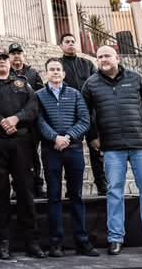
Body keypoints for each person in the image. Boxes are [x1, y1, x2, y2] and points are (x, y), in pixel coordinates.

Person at [82, 45, 142, 255]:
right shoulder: (91, 84)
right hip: (112, 148)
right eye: (100, 56)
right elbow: (84, 113)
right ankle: (115, 238)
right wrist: (92, 136)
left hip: (141, 145)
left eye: (107, 56)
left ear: (117, 58)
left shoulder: (135, 77)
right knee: (115, 192)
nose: (103, 59)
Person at [0, 48, 44, 259]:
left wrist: (15, 119)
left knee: (25, 192)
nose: (3, 62)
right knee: (1, 193)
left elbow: (33, 107)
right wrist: (2, 121)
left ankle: (31, 240)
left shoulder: (22, 83)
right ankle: (3, 241)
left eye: (5, 59)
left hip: (21, 143)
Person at [37, 59, 98, 257]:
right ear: (46, 73)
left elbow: (84, 120)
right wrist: (55, 137)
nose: (55, 72)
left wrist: (68, 137)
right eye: (51, 70)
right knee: (54, 197)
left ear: (63, 74)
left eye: (58, 69)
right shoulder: (38, 96)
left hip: (73, 150)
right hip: (51, 151)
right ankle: (56, 242)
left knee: (76, 196)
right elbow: (38, 121)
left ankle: (82, 241)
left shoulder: (75, 94)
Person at [59, 34, 108, 195]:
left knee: (97, 149)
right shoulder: (58, 65)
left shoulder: (87, 64)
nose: (71, 44)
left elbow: (98, 83)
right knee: (71, 151)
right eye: (67, 42)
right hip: (70, 115)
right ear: (61, 46)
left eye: (73, 42)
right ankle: (72, 189)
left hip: (91, 113)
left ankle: (102, 185)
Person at [8, 43, 45, 198]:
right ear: (9, 57)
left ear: (23, 55)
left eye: (19, 52)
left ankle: (37, 185)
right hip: (14, 123)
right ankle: (17, 188)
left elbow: (40, 95)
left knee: (34, 156)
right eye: (13, 53)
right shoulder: (5, 74)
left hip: (31, 122)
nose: (16, 55)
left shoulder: (33, 73)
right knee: (15, 157)